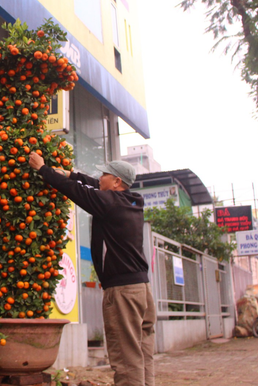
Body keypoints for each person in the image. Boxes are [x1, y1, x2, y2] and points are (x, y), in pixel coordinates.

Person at [29, 153, 155, 386]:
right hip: (142, 290)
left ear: (117, 182)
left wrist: (43, 169)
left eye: (104, 175)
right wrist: (71, 173)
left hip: (123, 293)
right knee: (142, 352)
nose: (100, 178)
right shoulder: (132, 201)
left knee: (126, 358)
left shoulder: (108, 203)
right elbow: (93, 185)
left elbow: (76, 192)